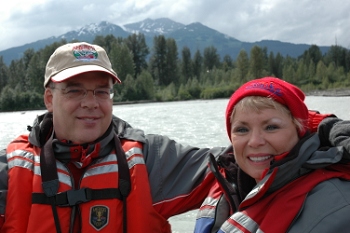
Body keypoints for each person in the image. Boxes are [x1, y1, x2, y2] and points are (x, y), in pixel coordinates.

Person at [0, 42, 226, 233]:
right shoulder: (10, 170)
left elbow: (239, 161)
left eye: (101, 91)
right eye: (75, 90)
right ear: (49, 99)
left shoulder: (149, 160)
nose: (91, 103)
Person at [194, 77, 350, 233]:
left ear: (299, 132)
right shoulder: (226, 178)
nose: (255, 141)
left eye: (271, 127)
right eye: (242, 129)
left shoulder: (334, 206)